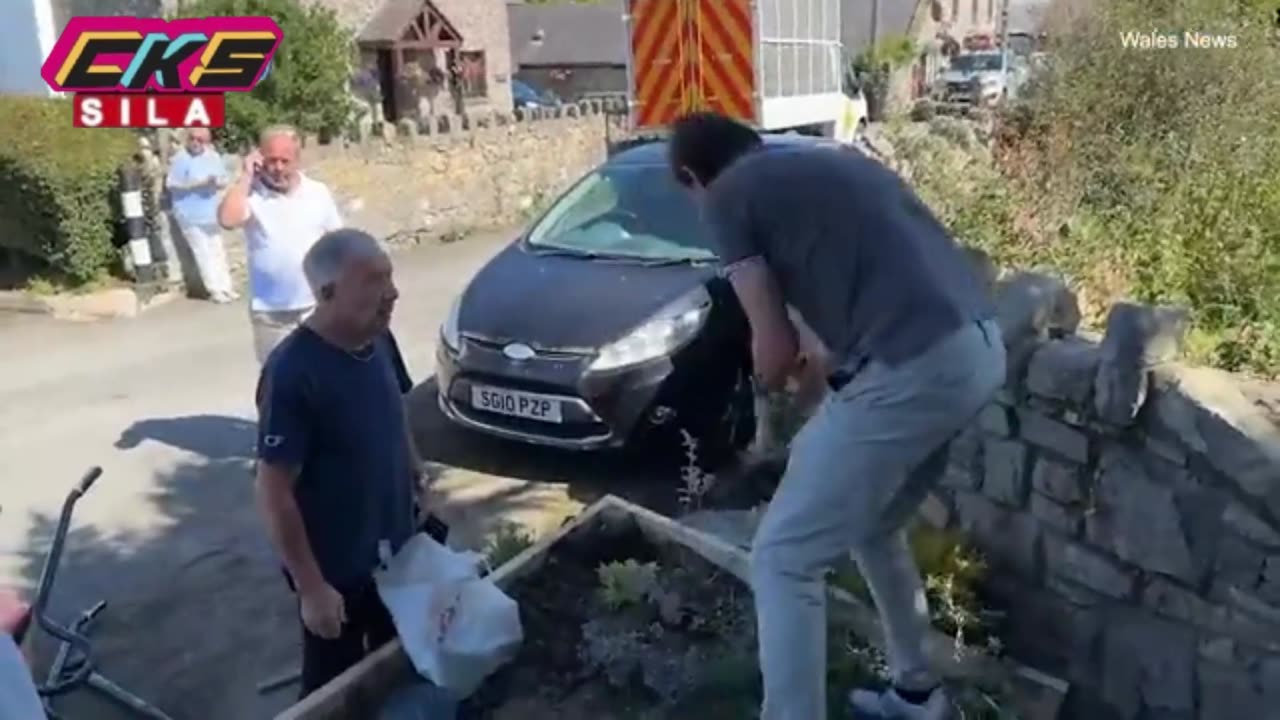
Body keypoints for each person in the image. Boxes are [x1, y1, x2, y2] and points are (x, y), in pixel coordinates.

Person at [668, 112, 1005, 720]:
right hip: (976, 349)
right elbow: (842, 321)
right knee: (874, 528)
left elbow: (770, 352)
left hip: (911, 368)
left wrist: (769, 378)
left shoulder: (726, 198)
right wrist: (814, 371)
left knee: (783, 556)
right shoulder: (829, 165)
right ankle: (918, 694)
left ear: (692, 176)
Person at [253, 228, 421, 698]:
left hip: (394, 550)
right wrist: (312, 589)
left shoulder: (379, 340)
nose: (392, 292)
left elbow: (395, 410)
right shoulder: (292, 373)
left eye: (389, 276)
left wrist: (414, 467)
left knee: (398, 666)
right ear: (327, 293)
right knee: (335, 690)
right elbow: (273, 490)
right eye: (373, 280)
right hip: (337, 573)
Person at [218, 124, 344, 364]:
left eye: (284, 161)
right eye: (271, 160)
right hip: (271, 314)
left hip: (316, 307)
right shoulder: (252, 195)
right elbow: (227, 219)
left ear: (297, 160)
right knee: (277, 385)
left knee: (324, 378)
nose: (277, 168)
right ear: (259, 159)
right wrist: (245, 177)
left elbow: (337, 242)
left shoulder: (317, 193)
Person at [166, 128, 236, 303]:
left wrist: (216, 182)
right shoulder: (180, 159)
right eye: (192, 139)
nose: (196, 143)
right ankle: (214, 290)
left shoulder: (212, 157)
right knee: (202, 251)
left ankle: (226, 287)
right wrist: (196, 184)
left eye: (200, 140)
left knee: (217, 250)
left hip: (210, 212)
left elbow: (223, 180)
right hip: (189, 213)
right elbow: (171, 185)